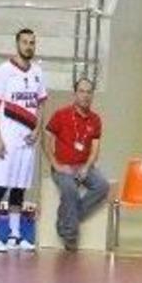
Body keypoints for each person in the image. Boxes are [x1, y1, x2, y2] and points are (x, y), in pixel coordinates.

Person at [0, 28, 48, 252]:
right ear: (17, 44)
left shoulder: (38, 72)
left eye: (32, 42)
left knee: (19, 189)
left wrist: (38, 129)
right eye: (25, 42)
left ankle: (15, 234)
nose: (29, 46)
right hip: (7, 140)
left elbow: (40, 104)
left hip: (27, 142)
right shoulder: (4, 71)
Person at [43, 76, 109, 252]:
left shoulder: (96, 120)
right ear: (75, 94)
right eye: (81, 91)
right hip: (63, 166)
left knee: (102, 186)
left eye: (89, 92)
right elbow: (47, 140)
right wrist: (56, 165)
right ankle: (70, 236)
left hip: (83, 165)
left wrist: (87, 167)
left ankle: (65, 218)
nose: (85, 96)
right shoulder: (61, 114)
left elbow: (95, 149)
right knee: (70, 189)